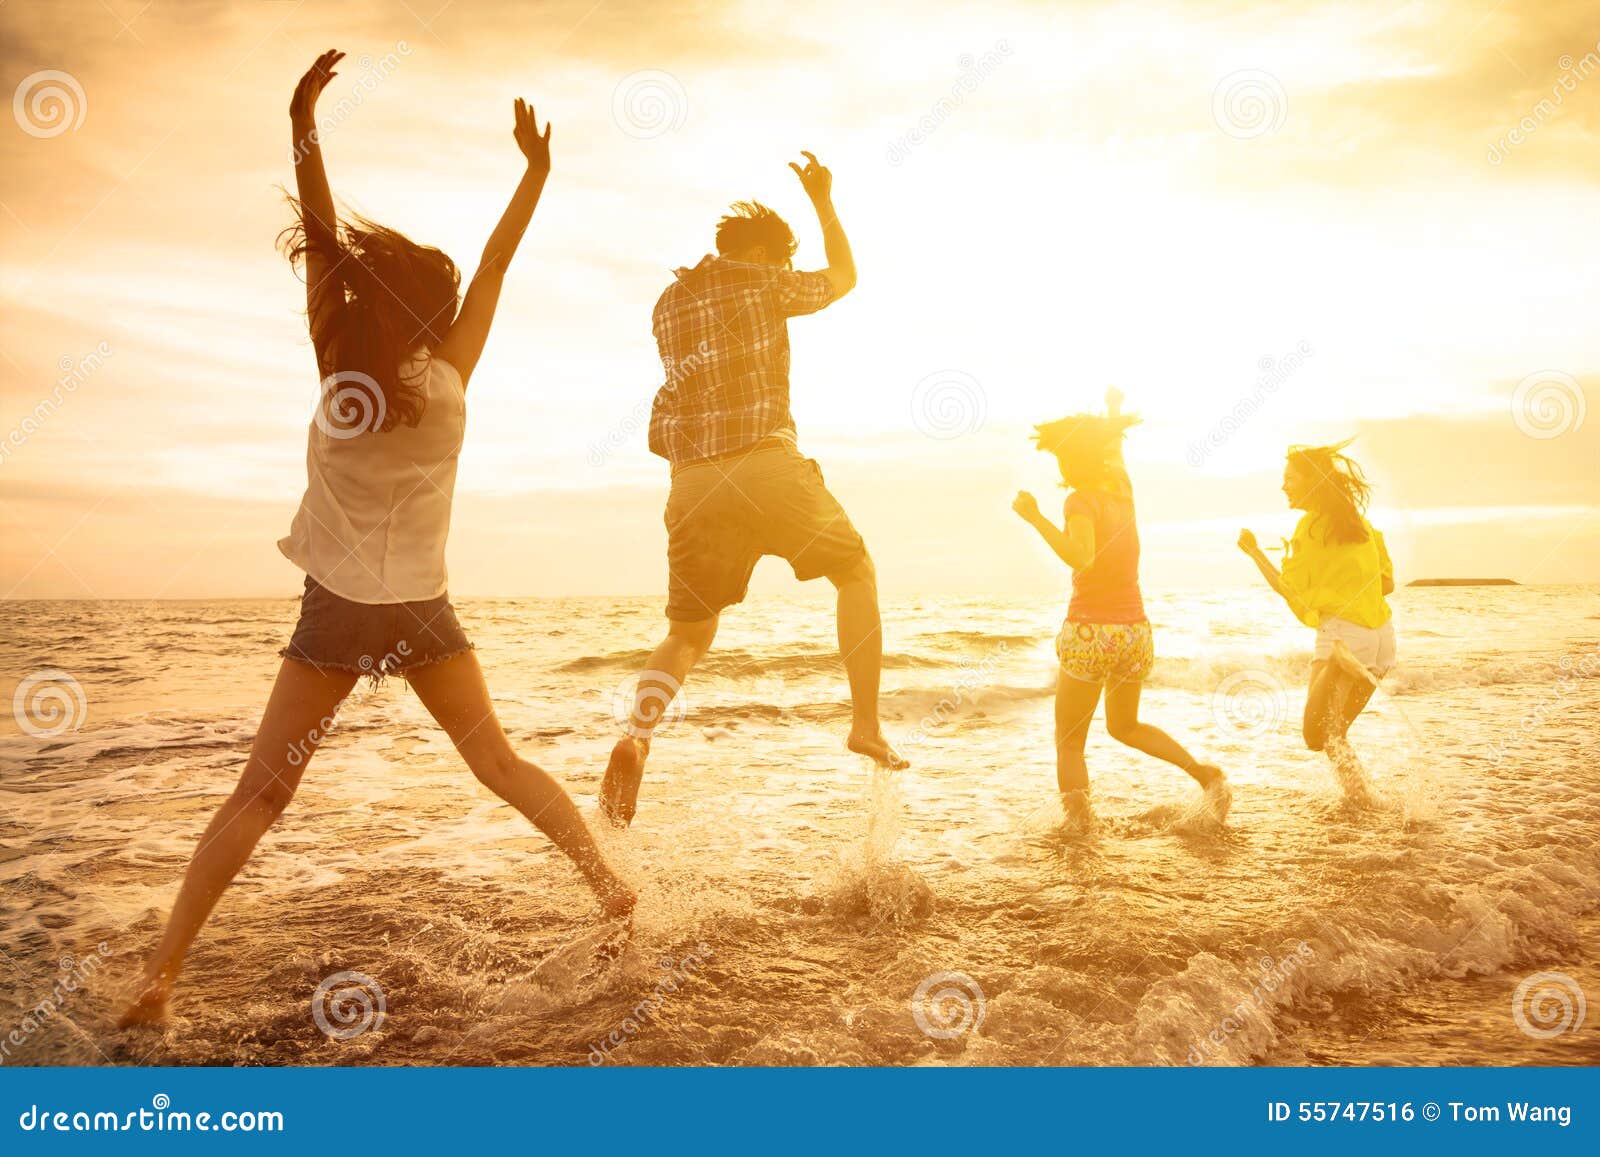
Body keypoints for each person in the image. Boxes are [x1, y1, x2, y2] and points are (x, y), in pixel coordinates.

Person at [119, 52, 632, 1026]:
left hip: (336, 610)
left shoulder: (335, 361)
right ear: (435, 316)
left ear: (370, 300)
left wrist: (301, 118)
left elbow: (320, 236)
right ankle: (605, 882)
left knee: (258, 799)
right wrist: (535, 172)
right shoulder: (453, 375)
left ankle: (162, 975)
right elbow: (496, 264)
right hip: (422, 607)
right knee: (500, 764)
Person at [599, 152, 903, 830]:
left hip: (693, 480)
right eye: (780, 257)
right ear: (767, 253)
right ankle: (865, 725)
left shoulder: (668, 302)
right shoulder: (765, 281)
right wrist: (824, 201)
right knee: (855, 570)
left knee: (686, 632)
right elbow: (845, 278)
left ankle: (637, 736)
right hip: (765, 461)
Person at [1013, 390, 1229, 828]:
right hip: (1135, 631)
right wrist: (1112, 417)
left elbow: (1081, 557)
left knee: (1070, 743)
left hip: (1091, 631)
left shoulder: (1080, 500)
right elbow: (1116, 453)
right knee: (1124, 726)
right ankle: (1204, 774)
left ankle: (1080, 829)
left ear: (1072, 460)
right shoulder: (1123, 491)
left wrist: (1034, 517)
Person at [1237, 440, 1395, 800]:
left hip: (1343, 639)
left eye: (1289, 478)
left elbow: (1287, 589)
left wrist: (1254, 552)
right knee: (1334, 734)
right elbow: (1387, 584)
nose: (1283, 486)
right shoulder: (1363, 527)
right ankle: (1366, 802)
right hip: (1382, 638)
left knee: (1315, 735)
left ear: (1312, 482)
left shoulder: (1311, 529)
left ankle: (1364, 801)